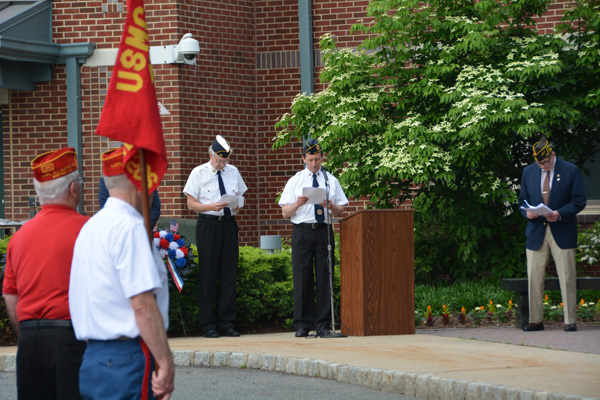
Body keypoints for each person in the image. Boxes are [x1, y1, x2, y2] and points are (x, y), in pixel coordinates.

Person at [69, 147, 174, 399]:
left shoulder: (91, 227)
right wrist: (165, 360)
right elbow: (142, 305)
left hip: (94, 355)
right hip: (127, 355)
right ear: (138, 180)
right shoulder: (129, 227)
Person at [2, 147, 88, 400]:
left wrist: (28, 332)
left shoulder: (18, 238)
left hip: (29, 341)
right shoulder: (89, 230)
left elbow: (10, 297)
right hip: (72, 339)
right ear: (73, 189)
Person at [279, 139, 348, 338]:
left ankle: (323, 325)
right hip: (302, 231)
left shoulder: (330, 180)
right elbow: (285, 212)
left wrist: (331, 206)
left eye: (317, 160)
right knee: (302, 278)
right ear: (303, 158)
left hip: (323, 230)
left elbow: (341, 210)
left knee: (325, 276)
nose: (314, 164)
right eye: (310, 160)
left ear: (323, 158)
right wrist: (298, 204)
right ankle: (302, 324)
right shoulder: (295, 180)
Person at [518, 135, 587, 332]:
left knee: (566, 277)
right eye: (539, 163)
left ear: (553, 155)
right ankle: (535, 321)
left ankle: (570, 321)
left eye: (546, 162)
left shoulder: (570, 170)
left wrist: (560, 213)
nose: (542, 166)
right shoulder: (528, 172)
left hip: (562, 229)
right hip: (536, 230)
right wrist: (527, 212)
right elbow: (522, 201)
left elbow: (579, 200)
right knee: (534, 277)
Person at [183, 135, 248, 338]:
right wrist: (211, 206)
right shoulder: (198, 173)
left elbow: (241, 195)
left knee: (228, 275)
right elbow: (191, 204)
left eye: (225, 161)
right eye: (219, 160)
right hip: (208, 224)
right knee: (209, 275)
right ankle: (208, 324)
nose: (222, 164)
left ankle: (227, 323)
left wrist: (237, 204)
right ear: (210, 155)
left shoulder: (233, 171)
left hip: (228, 225)